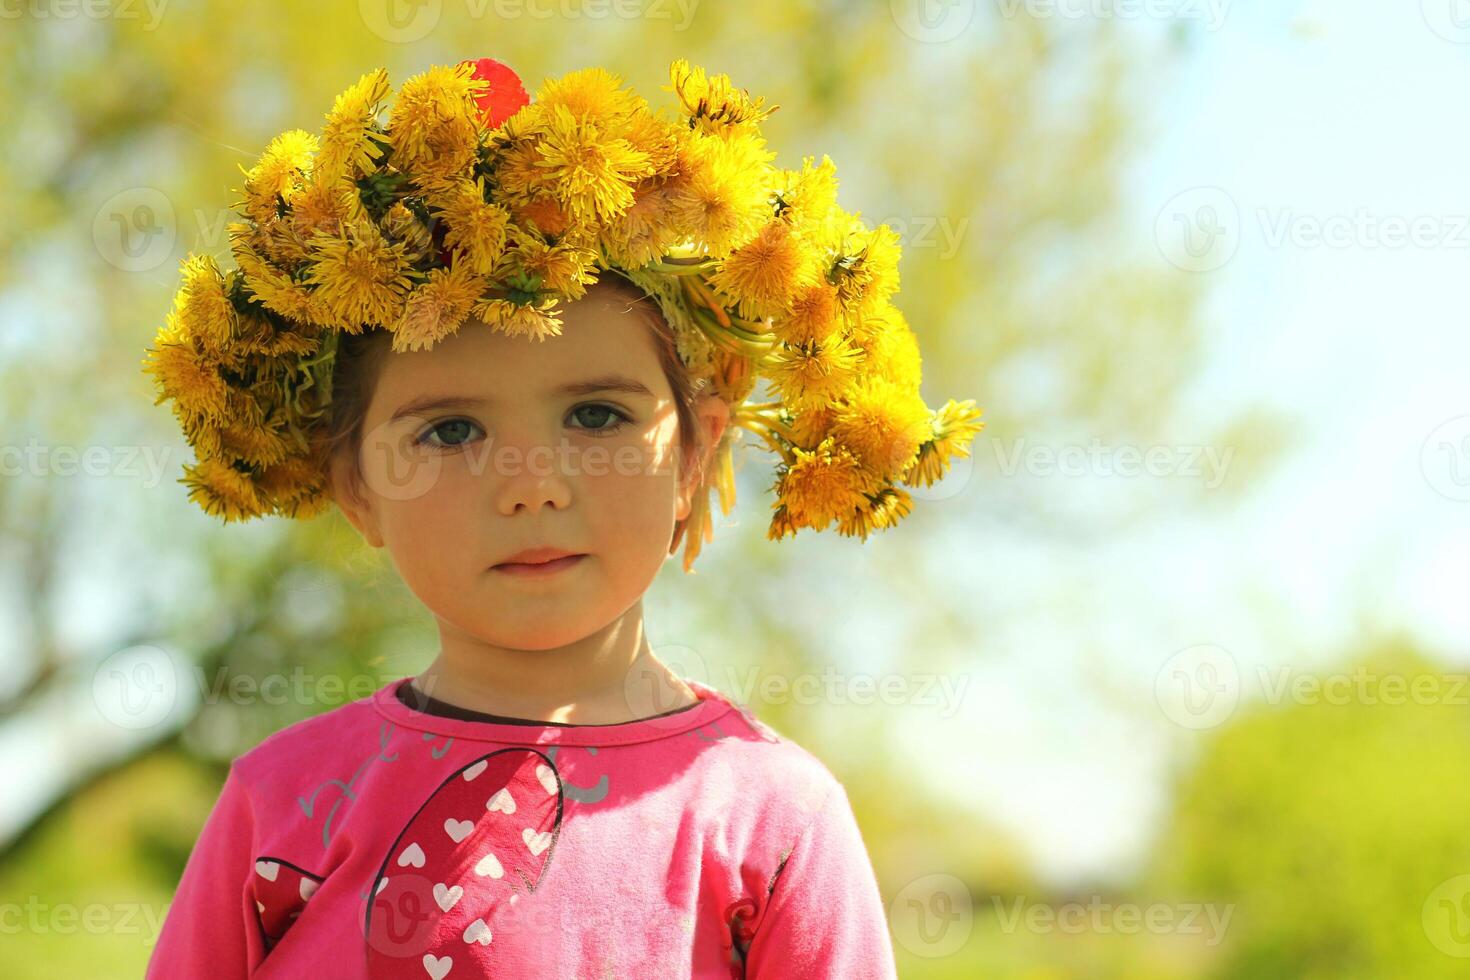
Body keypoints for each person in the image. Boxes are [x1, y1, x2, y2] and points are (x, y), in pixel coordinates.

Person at [142, 55, 981, 978]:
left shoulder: (773, 821)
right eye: (452, 430)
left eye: (597, 416)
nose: (531, 485)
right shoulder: (284, 806)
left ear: (695, 456)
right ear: (356, 486)